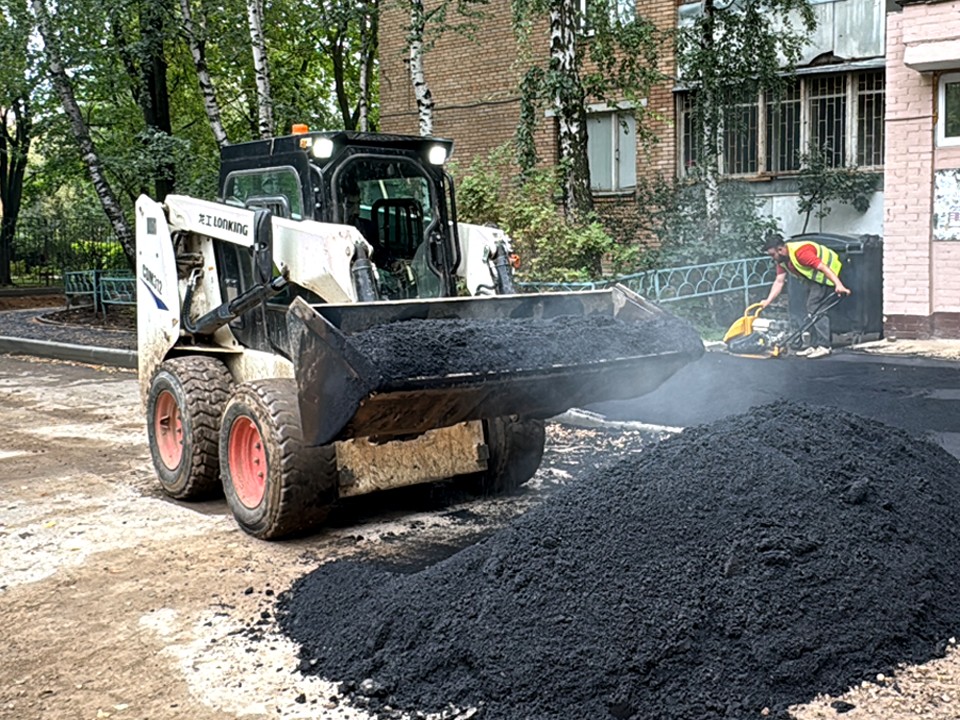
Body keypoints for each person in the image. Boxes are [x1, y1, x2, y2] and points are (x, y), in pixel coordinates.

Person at [759, 232, 851, 358]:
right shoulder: (782, 261)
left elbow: (823, 268)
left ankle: (824, 346)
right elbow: (779, 281)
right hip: (814, 281)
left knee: (815, 309)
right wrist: (768, 301)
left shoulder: (801, 253)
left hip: (829, 276)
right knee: (810, 310)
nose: (772, 258)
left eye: (772, 254)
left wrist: (839, 285)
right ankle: (813, 346)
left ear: (780, 249)